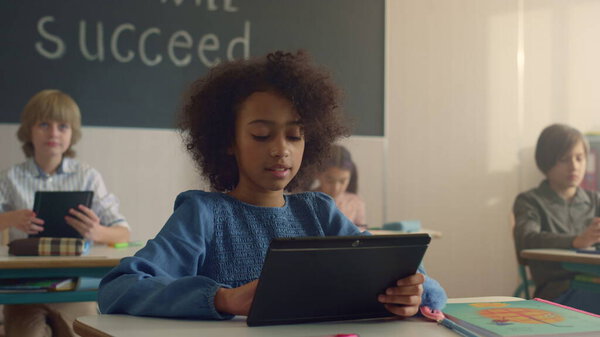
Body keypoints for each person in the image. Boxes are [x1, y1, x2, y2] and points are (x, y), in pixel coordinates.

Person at [98, 50, 446, 320]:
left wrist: (412, 294)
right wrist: (223, 299)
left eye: (294, 136)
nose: (281, 150)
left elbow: (409, 276)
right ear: (227, 141)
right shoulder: (204, 214)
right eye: (261, 135)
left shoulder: (319, 212)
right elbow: (120, 288)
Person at [0, 89, 131, 337]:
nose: (53, 133)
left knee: (81, 333)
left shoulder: (88, 176)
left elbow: (123, 232)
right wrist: (9, 219)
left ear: (73, 134)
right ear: (29, 130)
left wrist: (98, 231)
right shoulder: (10, 178)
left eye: (63, 126)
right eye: (44, 124)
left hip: (76, 283)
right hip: (24, 288)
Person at [513, 123, 600, 314]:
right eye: (564, 159)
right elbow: (526, 239)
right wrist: (575, 241)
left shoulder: (595, 201)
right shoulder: (530, 201)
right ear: (546, 162)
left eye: (580, 158)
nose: (574, 166)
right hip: (557, 292)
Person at [315, 144, 366, 230]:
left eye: (342, 181)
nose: (336, 188)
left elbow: (361, 232)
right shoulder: (306, 199)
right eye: (330, 180)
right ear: (317, 174)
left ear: (350, 177)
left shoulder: (355, 202)